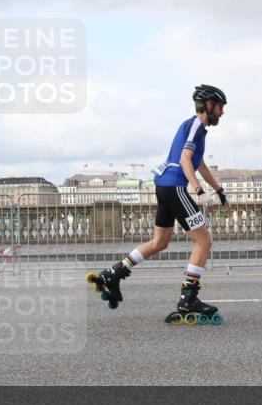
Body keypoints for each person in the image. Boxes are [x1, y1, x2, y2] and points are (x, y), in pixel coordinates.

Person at [88, 84, 229, 320]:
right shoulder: (196, 125)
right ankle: (188, 299)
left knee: (159, 242)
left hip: (163, 186)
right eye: (220, 107)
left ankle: (113, 274)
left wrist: (219, 190)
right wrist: (199, 191)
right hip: (174, 186)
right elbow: (185, 159)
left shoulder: (196, 128)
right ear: (208, 105)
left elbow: (200, 163)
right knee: (204, 241)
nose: (222, 112)